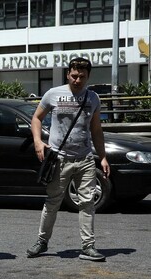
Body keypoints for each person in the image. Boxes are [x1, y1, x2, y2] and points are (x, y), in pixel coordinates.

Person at [27, 57, 110, 261]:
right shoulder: (53, 94)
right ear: (68, 74)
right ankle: (42, 241)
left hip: (85, 158)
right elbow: (36, 118)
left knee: (87, 202)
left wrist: (103, 157)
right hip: (59, 158)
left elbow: (96, 130)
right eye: (74, 76)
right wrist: (38, 141)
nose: (77, 80)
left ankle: (88, 246)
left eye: (82, 76)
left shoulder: (93, 98)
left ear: (88, 76)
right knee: (53, 201)